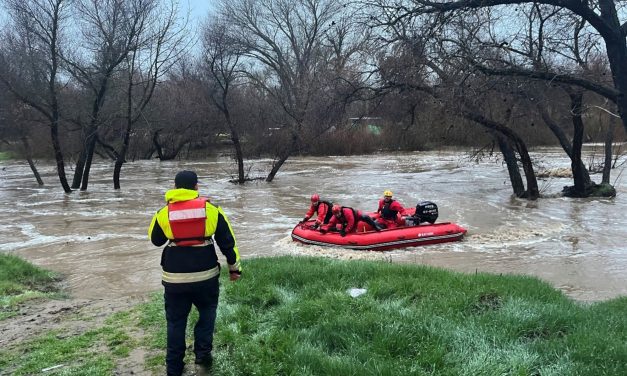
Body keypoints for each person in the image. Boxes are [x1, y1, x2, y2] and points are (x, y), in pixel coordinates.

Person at [148, 170, 242, 376]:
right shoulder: (212, 210)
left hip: (174, 279)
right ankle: (203, 354)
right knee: (207, 313)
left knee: (175, 322)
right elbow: (228, 243)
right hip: (206, 277)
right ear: (196, 187)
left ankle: (174, 367)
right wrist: (235, 269)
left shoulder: (163, 213)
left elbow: (155, 240)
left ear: (175, 187)